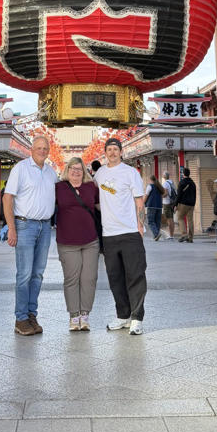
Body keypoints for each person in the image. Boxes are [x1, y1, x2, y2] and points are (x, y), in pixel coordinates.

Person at [1, 135, 58, 336]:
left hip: (45, 227)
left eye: (45, 148)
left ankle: (31, 314)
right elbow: (7, 198)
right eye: (39, 147)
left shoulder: (51, 173)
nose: (42, 151)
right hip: (24, 225)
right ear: (31, 150)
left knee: (38, 274)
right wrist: (11, 228)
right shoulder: (21, 169)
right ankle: (21, 318)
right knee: (24, 274)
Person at [94, 137, 147, 335]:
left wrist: (140, 227)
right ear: (105, 152)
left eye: (116, 149)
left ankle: (137, 318)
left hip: (129, 232)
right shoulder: (99, 174)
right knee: (115, 278)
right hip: (109, 234)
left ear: (121, 152)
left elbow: (139, 202)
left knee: (135, 276)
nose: (113, 152)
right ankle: (123, 315)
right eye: (109, 149)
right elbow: (97, 199)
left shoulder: (130, 173)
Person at [55, 157, 101, 331]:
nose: (76, 171)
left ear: (84, 171)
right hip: (67, 242)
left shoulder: (91, 187)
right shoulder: (58, 187)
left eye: (79, 169)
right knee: (71, 279)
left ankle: (85, 315)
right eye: (72, 168)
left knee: (89, 279)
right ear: (67, 170)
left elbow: (100, 207)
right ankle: (74, 316)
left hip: (90, 240)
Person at [175, 167, 197, 243]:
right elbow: (195, 194)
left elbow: (179, 195)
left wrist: (175, 204)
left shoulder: (182, 182)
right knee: (190, 220)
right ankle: (190, 238)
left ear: (183, 174)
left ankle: (184, 235)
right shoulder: (193, 183)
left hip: (183, 204)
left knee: (180, 218)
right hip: (191, 204)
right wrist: (194, 203)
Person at [144, 175, 164, 240]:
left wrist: (143, 203)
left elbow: (146, 196)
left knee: (150, 221)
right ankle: (156, 236)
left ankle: (156, 234)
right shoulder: (159, 187)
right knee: (157, 222)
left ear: (150, 180)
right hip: (159, 206)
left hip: (151, 205)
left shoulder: (150, 186)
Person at [161, 171, 176, 239]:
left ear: (164, 176)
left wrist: (160, 196)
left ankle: (171, 235)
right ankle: (172, 235)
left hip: (167, 203)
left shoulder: (165, 184)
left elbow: (166, 194)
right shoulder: (171, 182)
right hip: (172, 203)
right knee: (171, 219)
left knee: (169, 219)